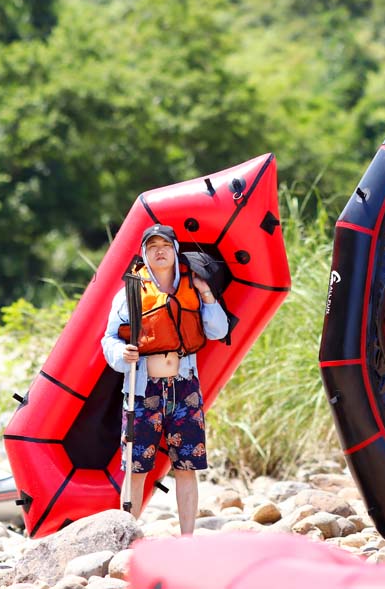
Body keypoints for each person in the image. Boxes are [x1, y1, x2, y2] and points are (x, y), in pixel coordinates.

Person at [102, 223, 228, 535]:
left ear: (175, 250)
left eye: (166, 246)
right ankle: (127, 538)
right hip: (143, 390)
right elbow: (109, 338)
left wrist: (207, 293)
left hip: (185, 387)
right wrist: (121, 354)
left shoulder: (193, 288)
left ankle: (188, 538)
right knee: (136, 468)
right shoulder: (130, 292)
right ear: (144, 254)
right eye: (153, 247)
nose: (160, 252)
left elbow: (218, 331)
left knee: (187, 466)